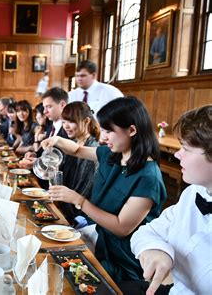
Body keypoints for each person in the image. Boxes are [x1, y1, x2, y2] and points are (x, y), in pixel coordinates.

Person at [42, 96, 167, 283]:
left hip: (123, 256)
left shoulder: (148, 177)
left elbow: (121, 228)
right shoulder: (113, 154)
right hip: (99, 237)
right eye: (103, 130)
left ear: (132, 130)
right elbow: (76, 150)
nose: (103, 137)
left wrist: (79, 200)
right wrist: (57, 140)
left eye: (109, 131)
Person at [127, 105, 212, 295]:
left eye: (186, 149)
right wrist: (158, 250)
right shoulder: (193, 193)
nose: (177, 154)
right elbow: (146, 232)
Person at [57, 102, 100, 227]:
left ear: (86, 121)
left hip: (79, 216)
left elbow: (85, 189)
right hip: (64, 206)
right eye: (63, 122)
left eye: (70, 122)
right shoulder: (72, 143)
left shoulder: (93, 147)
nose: (66, 126)